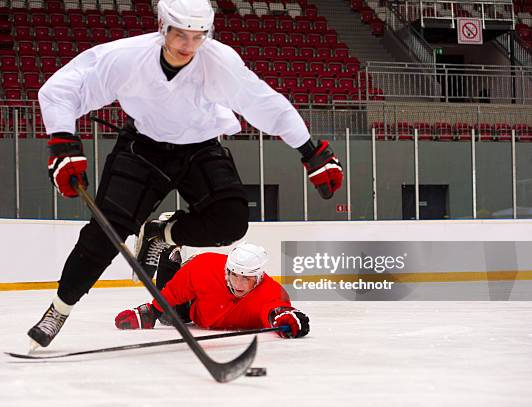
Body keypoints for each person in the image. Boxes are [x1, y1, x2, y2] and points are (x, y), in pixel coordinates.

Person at [28, 0, 341, 350]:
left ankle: (162, 233)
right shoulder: (128, 57)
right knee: (105, 233)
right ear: (163, 26)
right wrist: (63, 143)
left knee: (232, 220)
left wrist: (310, 152)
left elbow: (265, 104)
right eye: (179, 34)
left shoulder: (218, 61)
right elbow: (62, 89)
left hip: (199, 148)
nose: (186, 46)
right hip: (143, 149)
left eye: (197, 36)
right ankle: (59, 309)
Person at [115, 242, 310, 338]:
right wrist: (151, 312)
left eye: (246, 278)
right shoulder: (205, 267)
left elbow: (276, 309)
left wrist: (286, 317)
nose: (238, 285)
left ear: (258, 277)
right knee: (169, 317)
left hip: (204, 311)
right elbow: (174, 291)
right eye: (234, 275)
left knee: (177, 318)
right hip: (195, 301)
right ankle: (169, 253)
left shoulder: (271, 292)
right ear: (227, 270)